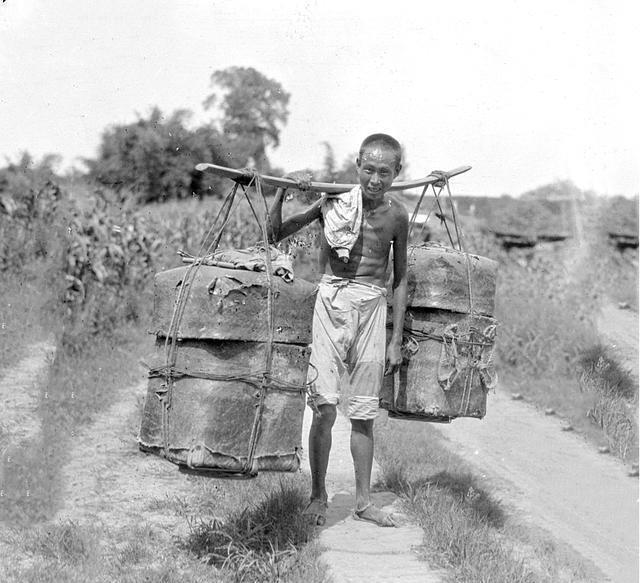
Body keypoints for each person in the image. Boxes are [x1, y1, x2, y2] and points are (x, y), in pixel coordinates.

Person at [268, 133, 408, 527]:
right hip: (329, 304)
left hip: (371, 308)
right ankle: (317, 495)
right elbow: (274, 234)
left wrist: (396, 339)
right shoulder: (333, 203)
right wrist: (282, 191)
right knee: (325, 408)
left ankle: (363, 502)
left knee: (363, 413)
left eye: (384, 172)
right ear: (357, 167)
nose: (375, 179)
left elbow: (400, 278)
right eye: (368, 170)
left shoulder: (397, 216)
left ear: (396, 173)